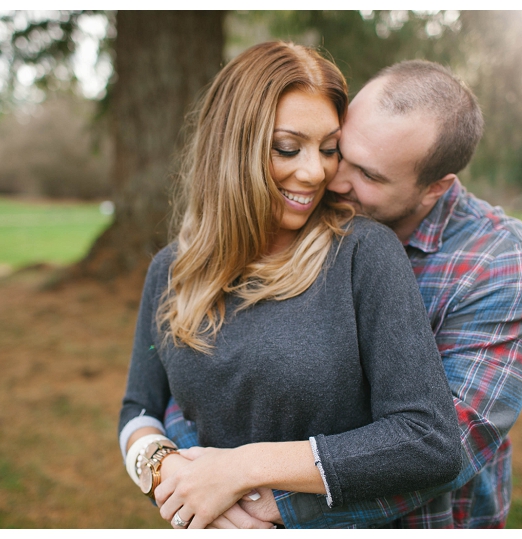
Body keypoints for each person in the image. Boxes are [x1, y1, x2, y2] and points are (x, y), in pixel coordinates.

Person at [164, 59, 522, 528]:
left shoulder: (500, 263)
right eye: (338, 151)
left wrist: (261, 501)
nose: (331, 177)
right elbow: (211, 369)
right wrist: (186, 469)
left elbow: (447, 446)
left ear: (434, 189)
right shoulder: (304, 226)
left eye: (369, 176)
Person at [118, 42, 463, 530]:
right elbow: (138, 409)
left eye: (328, 150)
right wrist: (168, 474)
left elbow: (428, 440)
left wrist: (241, 469)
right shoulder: (173, 270)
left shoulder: (364, 254)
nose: (315, 172)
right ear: (232, 146)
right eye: (287, 147)